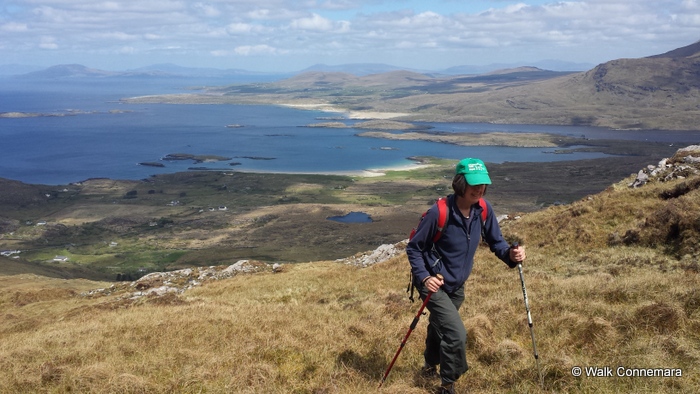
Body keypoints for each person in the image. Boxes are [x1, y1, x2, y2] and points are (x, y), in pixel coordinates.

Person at [406, 158, 526, 394]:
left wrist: (511, 256)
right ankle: (448, 385)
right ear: (460, 183)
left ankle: (429, 365)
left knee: (439, 327)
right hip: (434, 283)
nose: (479, 189)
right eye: (473, 184)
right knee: (456, 334)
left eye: (483, 184)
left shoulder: (484, 209)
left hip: (457, 285)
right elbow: (414, 247)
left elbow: (496, 242)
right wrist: (424, 278)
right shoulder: (438, 212)